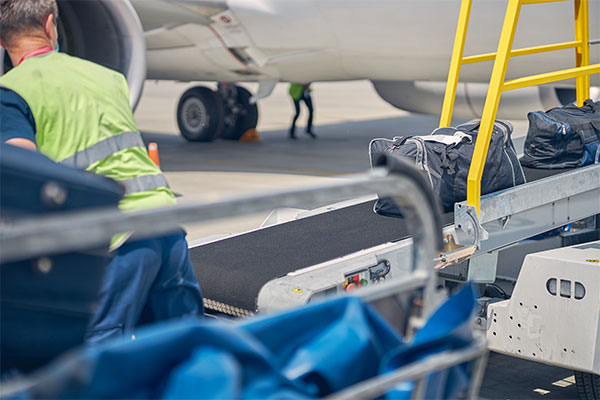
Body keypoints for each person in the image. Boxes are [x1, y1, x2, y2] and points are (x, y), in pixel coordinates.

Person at [0, 0, 204, 344]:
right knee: (186, 342)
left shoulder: (14, 91)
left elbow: (19, 173)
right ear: (51, 25)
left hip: (113, 240)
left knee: (101, 349)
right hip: (165, 223)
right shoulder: (107, 77)